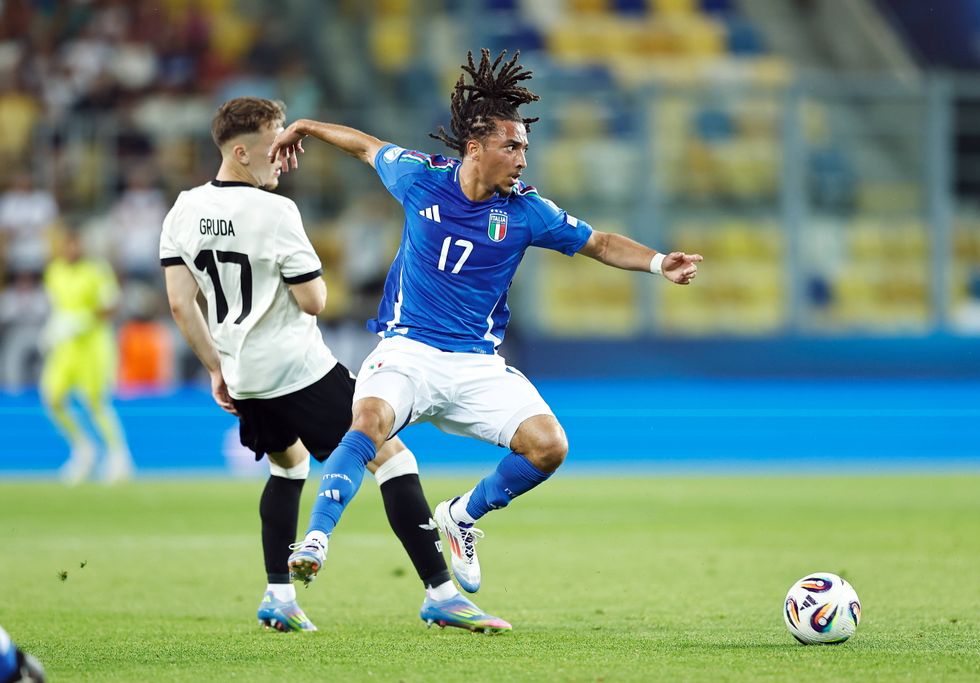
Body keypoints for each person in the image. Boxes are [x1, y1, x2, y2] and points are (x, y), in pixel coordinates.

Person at [273, 50, 702, 600]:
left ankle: (462, 516)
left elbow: (598, 243)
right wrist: (307, 126)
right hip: (408, 350)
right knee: (368, 422)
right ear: (475, 148)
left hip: (476, 363)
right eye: (512, 146)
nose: (523, 158)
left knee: (549, 446)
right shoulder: (419, 178)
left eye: (525, 147)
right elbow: (365, 145)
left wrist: (659, 262)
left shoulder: (527, 211)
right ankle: (315, 540)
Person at [159, 96, 508, 633]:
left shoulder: (184, 209)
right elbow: (314, 301)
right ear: (242, 152)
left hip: (243, 374)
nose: (286, 156)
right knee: (392, 458)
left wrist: (215, 368)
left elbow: (181, 304)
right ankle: (441, 593)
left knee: (288, 466)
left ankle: (279, 595)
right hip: (296, 368)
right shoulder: (276, 212)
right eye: (276, 144)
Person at [40, 227, 134, 484]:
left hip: (93, 344)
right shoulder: (54, 271)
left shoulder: (96, 270)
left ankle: (118, 455)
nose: (71, 249)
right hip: (65, 347)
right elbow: (57, 306)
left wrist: (83, 319)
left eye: (75, 243)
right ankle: (83, 448)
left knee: (95, 402)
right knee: (53, 398)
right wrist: (54, 327)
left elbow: (112, 305)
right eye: (67, 244)